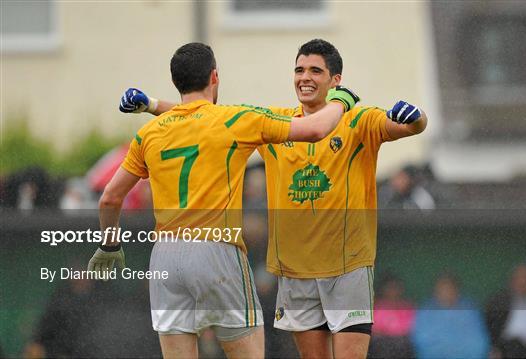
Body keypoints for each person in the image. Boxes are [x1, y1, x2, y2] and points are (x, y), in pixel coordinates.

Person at [120, 38, 427, 358]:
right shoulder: (279, 121)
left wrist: (416, 117)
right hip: (295, 272)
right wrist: (152, 104)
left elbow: (407, 126)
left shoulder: (360, 120)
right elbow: (208, 117)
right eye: (299, 69)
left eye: (315, 71)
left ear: (336, 81)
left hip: (347, 268)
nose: (304, 77)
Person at [87, 42, 359, 359]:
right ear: (214, 77)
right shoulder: (235, 120)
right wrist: (343, 100)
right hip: (217, 249)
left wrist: (109, 245)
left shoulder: (150, 133)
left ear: (177, 81)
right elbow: (315, 129)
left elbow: (110, 198)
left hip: (165, 257)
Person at [412, 273, 490, 358]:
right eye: (441, 290)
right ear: (435, 292)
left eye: (449, 289)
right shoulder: (426, 311)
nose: (446, 293)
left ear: (457, 291)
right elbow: (421, 339)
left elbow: (478, 341)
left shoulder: (470, 310)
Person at [485, 264, 526, 358]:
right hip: (508, 347)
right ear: (512, 280)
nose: (524, 281)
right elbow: (490, 326)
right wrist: (494, 348)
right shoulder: (499, 300)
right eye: (520, 277)